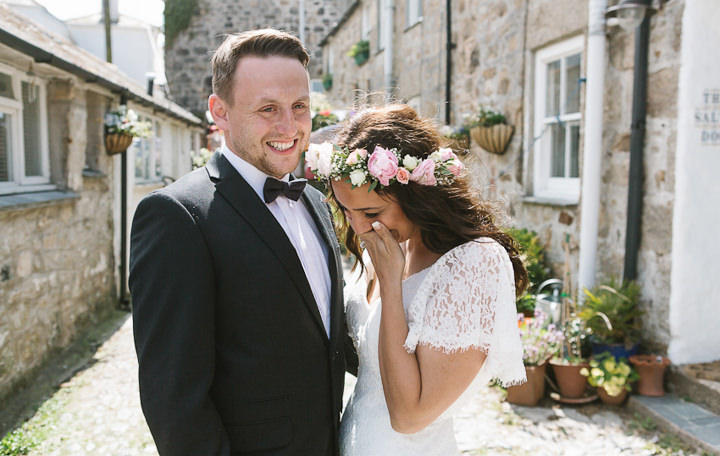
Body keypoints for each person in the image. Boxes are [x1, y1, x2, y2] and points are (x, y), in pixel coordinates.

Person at [129, 28, 349, 456]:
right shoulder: (176, 216)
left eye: (299, 106)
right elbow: (174, 402)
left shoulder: (318, 203)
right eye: (268, 108)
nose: (289, 126)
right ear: (220, 112)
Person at [305, 104, 529, 456]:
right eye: (347, 211)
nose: (360, 228)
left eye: (371, 212)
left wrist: (392, 289)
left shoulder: (472, 263)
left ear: (416, 192)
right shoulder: (385, 244)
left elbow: (410, 416)